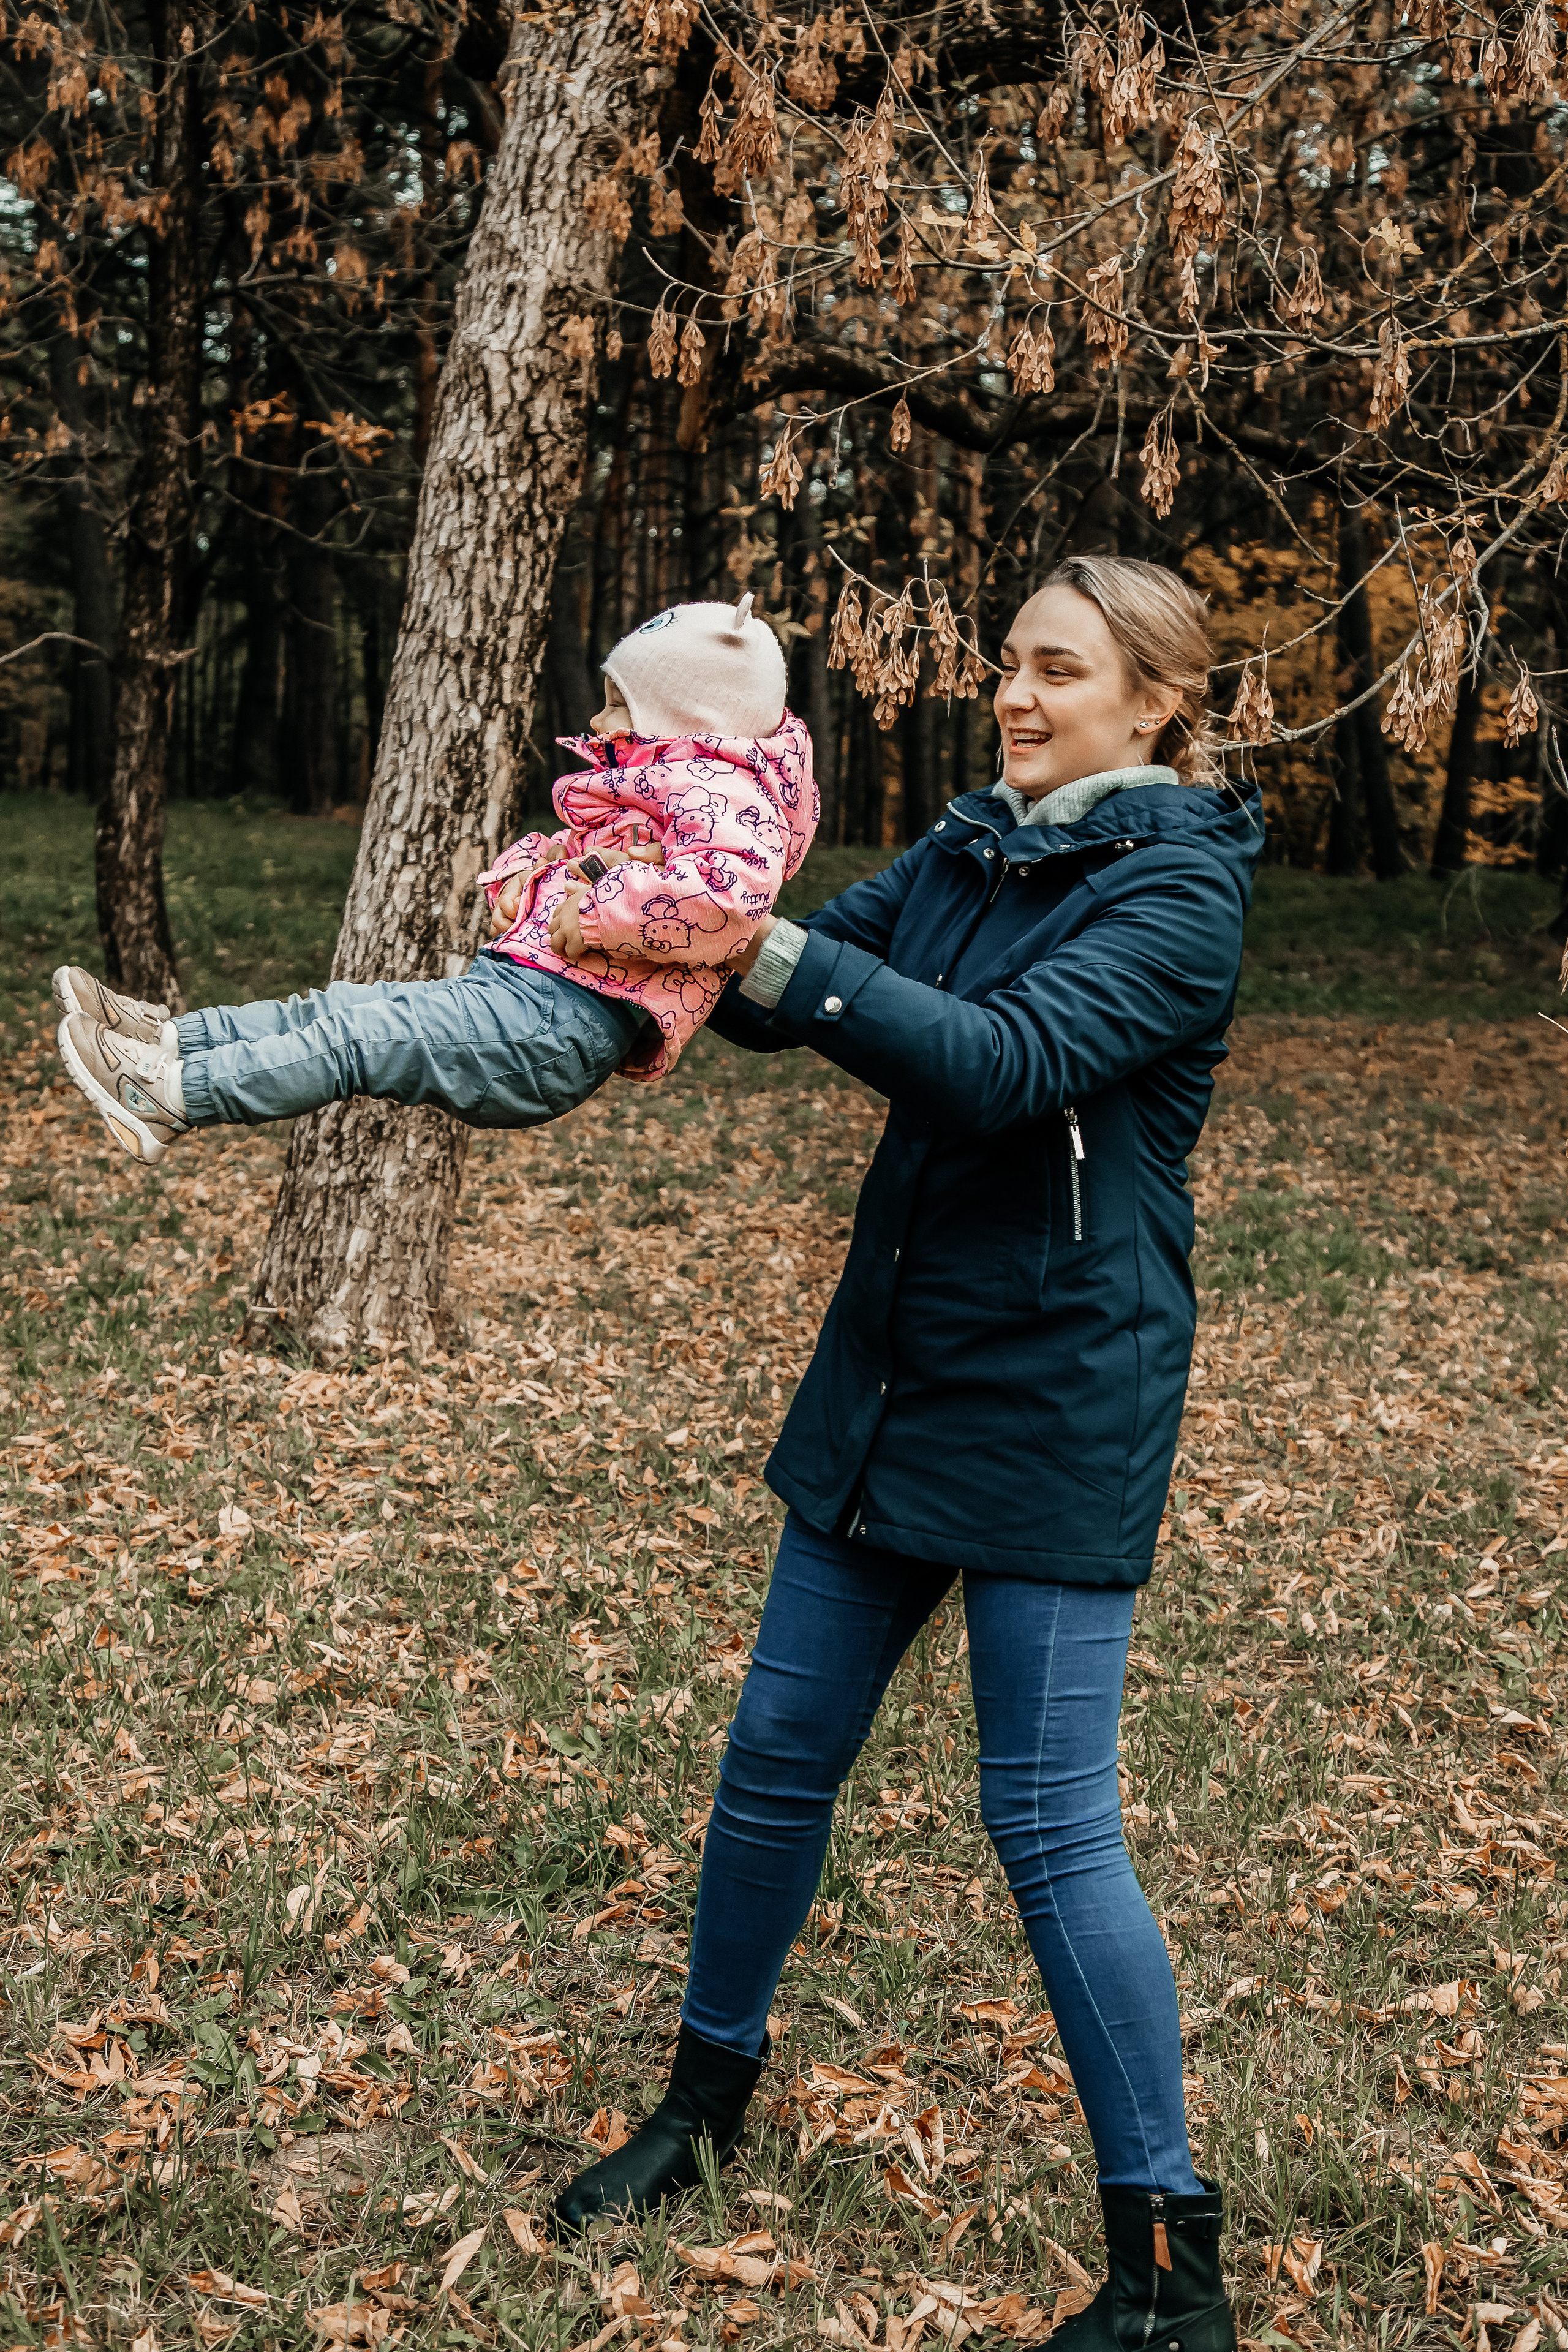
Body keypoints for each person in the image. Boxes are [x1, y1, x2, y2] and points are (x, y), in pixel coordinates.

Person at [551, 556, 1262, 2352]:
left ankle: (1166, 2267)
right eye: (1008, 662)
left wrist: (757, 945)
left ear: (1155, 703)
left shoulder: (1178, 887)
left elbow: (1002, 1062)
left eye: (1058, 670)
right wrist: (671, 868)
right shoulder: (968, 844)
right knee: (774, 1757)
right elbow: (790, 983)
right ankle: (703, 2103)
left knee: (1046, 1820)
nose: (1014, 695)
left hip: (1054, 1400)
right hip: (890, 1369)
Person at [53, 595, 817, 1163]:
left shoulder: (727, 798)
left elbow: (726, 900)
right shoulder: (675, 789)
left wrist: (597, 912)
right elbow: (579, 853)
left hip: (560, 1028)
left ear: (691, 716)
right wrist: (526, 876)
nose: (599, 720)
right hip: (529, 1000)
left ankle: (168, 1096)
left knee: (353, 1039)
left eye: (620, 705)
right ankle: (171, 1040)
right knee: (338, 1008)